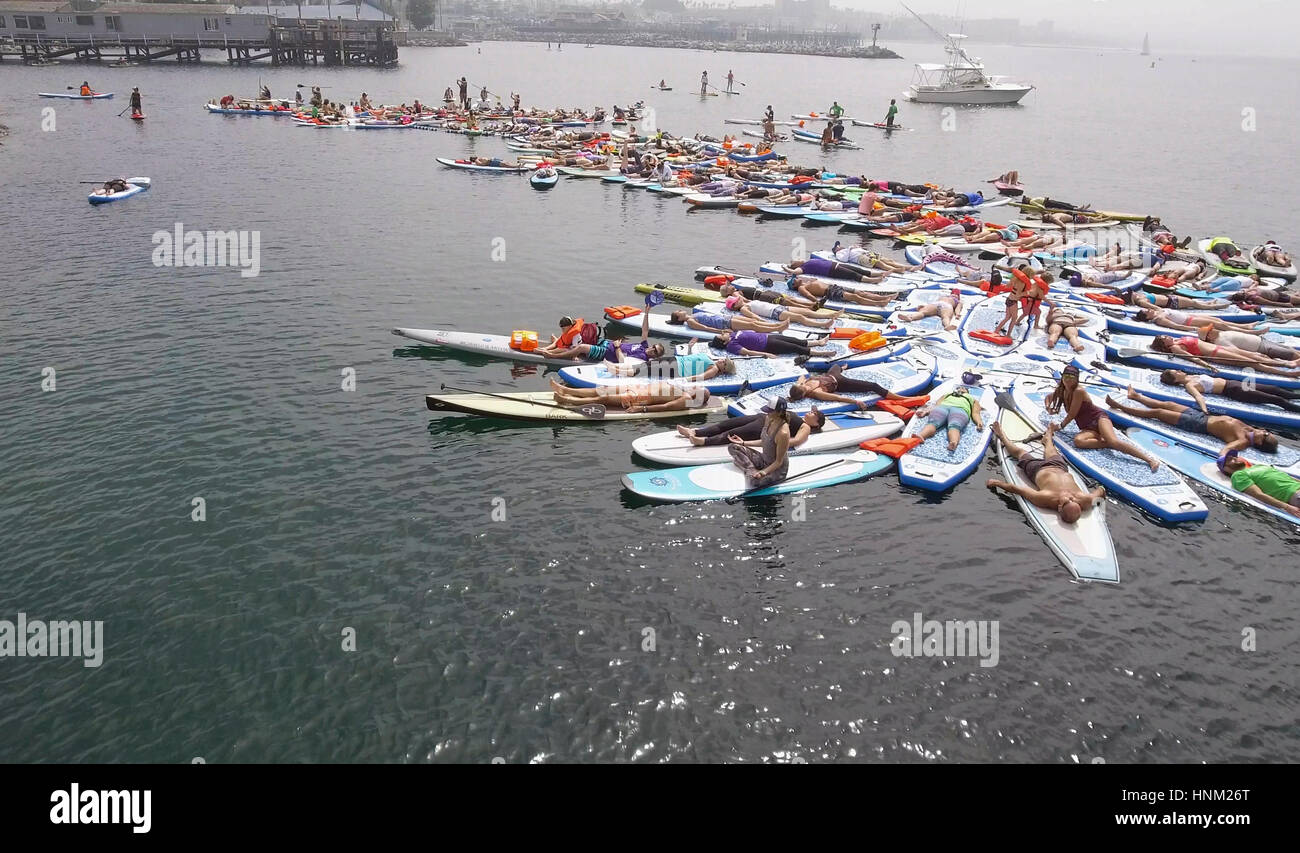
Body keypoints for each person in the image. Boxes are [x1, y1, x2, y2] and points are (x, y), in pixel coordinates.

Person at [1046, 365, 1161, 471]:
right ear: (1062, 377)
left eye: (1072, 377)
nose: (1068, 379)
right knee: (1078, 441)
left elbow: (1072, 414)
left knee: (1114, 442)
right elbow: (1049, 397)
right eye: (1066, 376)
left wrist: (1060, 426)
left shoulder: (1078, 391)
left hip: (1099, 418)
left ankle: (1149, 460)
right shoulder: (1062, 389)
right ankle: (1107, 443)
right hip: (1087, 427)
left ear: (1077, 379)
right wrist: (1048, 407)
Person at [987, 422, 1105, 524]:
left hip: (1037, 469)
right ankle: (1048, 436)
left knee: (1020, 452)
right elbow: (1101, 491)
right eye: (1074, 500)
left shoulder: (1044, 498)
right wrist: (1101, 494)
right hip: (1060, 466)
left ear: (1059, 507)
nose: (1072, 497)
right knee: (1051, 449)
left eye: (1068, 500)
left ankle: (1001, 435)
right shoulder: (1085, 500)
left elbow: (1017, 489)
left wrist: (997, 483)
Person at [1106, 386, 1279, 455]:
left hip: (1197, 424)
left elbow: (1226, 449)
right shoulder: (1249, 429)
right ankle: (1135, 396)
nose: (1263, 432)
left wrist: (1223, 459)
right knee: (1167, 404)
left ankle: (1120, 407)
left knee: (1158, 413)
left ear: (1259, 443)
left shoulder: (1242, 441)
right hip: (1203, 416)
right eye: (1266, 432)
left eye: (1264, 436)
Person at [1158, 369, 1300, 415]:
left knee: (1275, 389)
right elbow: (1198, 397)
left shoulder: (1191, 375)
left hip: (1235, 383)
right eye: (1176, 373)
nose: (1179, 371)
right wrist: (1204, 411)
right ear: (1175, 380)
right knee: (1275, 399)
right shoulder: (1190, 384)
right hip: (1234, 390)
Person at [1150, 334, 1300, 376]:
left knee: (1257, 356)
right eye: (1165, 338)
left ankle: (1285, 364)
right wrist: (1207, 365)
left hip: (1220, 347)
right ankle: (1287, 368)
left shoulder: (1176, 340)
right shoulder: (1176, 348)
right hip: (1216, 354)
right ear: (1165, 345)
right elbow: (1192, 358)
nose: (1167, 336)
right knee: (1253, 363)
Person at [727, 397, 794, 490]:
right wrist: (743, 443)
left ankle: (749, 469)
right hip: (763, 460)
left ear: (779, 412)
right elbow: (764, 442)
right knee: (733, 447)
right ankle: (751, 470)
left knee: (754, 482)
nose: (767, 413)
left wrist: (763, 472)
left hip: (776, 469)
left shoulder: (783, 433)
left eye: (770, 411)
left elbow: (779, 462)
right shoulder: (768, 419)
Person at [677, 407, 827, 448]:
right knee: (726, 424)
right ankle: (695, 431)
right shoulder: (800, 417)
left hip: (764, 427)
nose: (811, 412)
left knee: (732, 433)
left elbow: (797, 441)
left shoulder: (805, 427)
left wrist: (776, 442)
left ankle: (703, 441)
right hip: (761, 417)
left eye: (814, 414)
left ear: (816, 424)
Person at [786, 365, 917, 410]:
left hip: (831, 374)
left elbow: (801, 377)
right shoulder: (817, 392)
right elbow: (837, 397)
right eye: (804, 389)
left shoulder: (802, 384)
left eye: (802, 385)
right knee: (873, 386)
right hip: (841, 382)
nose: (805, 386)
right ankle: (901, 398)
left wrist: (801, 383)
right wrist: (855, 401)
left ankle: (842, 368)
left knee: (836, 365)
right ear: (804, 394)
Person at [549, 378, 714, 414]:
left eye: (699, 389)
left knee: (603, 398)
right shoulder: (683, 387)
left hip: (639, 398)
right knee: (602, 389)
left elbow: (666, 407)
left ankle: (566, 400)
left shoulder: (685, 399)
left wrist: (641, 409)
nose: (696, 387)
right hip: (638, 388)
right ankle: (567, 390)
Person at [1218, 451, 1300, 518]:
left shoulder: (1259, 466)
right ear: (1226, 469)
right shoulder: (1238, 475)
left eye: (1234, 456)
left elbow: (1288, 477)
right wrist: (1287, 507)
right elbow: (1258, 494)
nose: (1234, 458)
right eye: (1229, 459)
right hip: (1294, 494)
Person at [912, 384, 985, 451]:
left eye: (964, 388)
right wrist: (926, 411)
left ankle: (953, 442)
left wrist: (979, 422)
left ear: (967, 392)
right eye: (959, 387)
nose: (961, 388)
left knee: (955, 425)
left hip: (960, 410)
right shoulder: (947, 395)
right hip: (943, 407)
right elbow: (937, 405)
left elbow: (975, 413)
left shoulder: (973, 399)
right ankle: (921, 436)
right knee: (933, 422)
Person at [1199, 325, 1300, 364]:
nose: (1213, 329)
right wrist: (1258, 356)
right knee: (1290, 354)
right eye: (1211, 330)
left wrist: (1257, 332)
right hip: (1261, 347)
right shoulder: (1220, 342)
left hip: (1261, 340)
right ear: (1209, 336)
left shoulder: (1221, 334)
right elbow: (1237, 352)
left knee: (1290, 349)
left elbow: (1241, 333)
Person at [709, 329, 835, 360]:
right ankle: (822, 353)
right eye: (722, 335)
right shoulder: (732, 346)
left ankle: (819, 342)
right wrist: (766, 354)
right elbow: (748, 352)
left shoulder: (731, 335)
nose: (723, 333)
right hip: (767, 345)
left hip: (768, 336)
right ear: (724, 342)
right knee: (795, 348)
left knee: (795, 340)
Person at [667, 308, 789, 335]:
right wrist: (721, 331)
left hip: (727, 318)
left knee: (752, 320)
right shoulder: (690, 321)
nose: (680, 310)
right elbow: (704, 328)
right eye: (678, 312)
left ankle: (776, 325)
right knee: (752, 325)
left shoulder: (692, 315)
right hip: (724, 324)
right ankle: (777, 329)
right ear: (679, 318)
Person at [894, 291, 963, 331]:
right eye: (953, 293)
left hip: (946, 306)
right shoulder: (945, 297)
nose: (954, 295)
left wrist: (957, 314)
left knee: (945, 316)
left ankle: (947, 326)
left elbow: (958, 308)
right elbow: (932, 303)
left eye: (956, 294)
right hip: (938, 304)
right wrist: (923, 306)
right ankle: (910, 317)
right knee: (922, 312)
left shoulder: (958, 301)